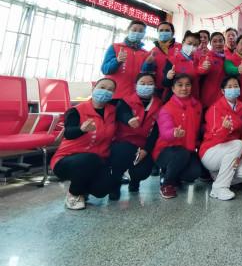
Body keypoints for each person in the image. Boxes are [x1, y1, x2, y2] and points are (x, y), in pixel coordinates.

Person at [51, 79, 126, 209]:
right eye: (102, 87)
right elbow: (68, 133)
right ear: (93, 89)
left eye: (110, 90)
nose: (105, 91)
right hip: (68, 160)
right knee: (89, 159)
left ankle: (83, 188)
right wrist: (81, 129)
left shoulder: (113, 111)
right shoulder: (76, 110)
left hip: (98, 161)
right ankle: (74, 194)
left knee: (102, 189)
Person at [199, 76, 242, 200]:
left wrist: (239, 154)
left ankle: (218, 178)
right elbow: (214, 135)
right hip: (211, 152)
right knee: (238, 144)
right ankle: (219, 188)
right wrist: (224, 129)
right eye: (229, 87)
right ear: (223, 91)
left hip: (233, 151)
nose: (233, 89)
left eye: (236, 86)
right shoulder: (215, 108)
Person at [109, 73, 162, 200]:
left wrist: (146, 150)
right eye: (142, 83)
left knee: (143, 170)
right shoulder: (125, 101)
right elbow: (122, 113)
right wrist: (129, 120)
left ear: (155, 86)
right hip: (124, 143)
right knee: (121, 155)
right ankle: (115, 184)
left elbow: (156, 131)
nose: (146, 86)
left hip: (144, 145)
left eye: (150, 84)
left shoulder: (160, 104)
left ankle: (135, 181)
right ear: (135, 85)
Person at [152, 74, 202, 199]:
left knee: (195, 172)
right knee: (181, 154)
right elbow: (165, 132)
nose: (184, 88)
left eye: (187, 85)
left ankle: (175, 176)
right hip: (166, 150)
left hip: (188, 149)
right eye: (180, 85)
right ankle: (166, 183)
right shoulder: (167, 108)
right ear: (173, 89)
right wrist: (173, 133)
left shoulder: (197, 106)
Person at [101, 20, 149, 98]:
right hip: (114, 94)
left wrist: (149, 63)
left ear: (144, 34)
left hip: (134, 97)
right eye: (134, 30)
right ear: (128, 30)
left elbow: (145, 74)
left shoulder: (145, 53)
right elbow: (105, 70)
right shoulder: (115, 47)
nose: (137, 33)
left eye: (141, 31)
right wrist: (117, 61)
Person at [158, 31, 207, 101]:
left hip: (193, 100)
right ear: (183, 43)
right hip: (174, 101)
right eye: (189, 43)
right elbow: (165, 83)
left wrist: (205, 70)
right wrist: (168, 77)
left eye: (195, 45)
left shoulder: (199, 62)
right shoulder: (172, 60)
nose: (192, 47)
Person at [141, 22, 182, 95]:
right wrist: (148, 63)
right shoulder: (153, 51)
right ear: (158, 33)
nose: (164, 32)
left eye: (167, 30)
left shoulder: (180, 47)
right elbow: (145, 71)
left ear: (172, 33)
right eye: (161, 30)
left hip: (177, 89)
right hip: (158, 90)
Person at [199, 31, 227, 110]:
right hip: (208, 98)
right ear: (210, 43)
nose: (218, 44)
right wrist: (204, 68)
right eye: (214, 41)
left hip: (222, 97)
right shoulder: (207, 57)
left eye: (220, 41)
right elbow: (200, 70)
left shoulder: (227, 58)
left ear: (224, 42)